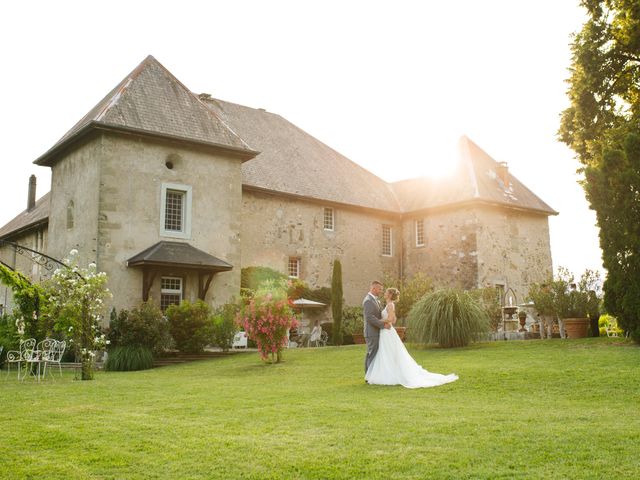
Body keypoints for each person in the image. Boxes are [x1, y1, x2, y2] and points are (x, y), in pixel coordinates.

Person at [365, 287, 459, 389]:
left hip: (387, 332)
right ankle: (388, 372)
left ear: (390, 295)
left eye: (386, 292)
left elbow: (391, 320)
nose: (384, 293)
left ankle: (392, 374)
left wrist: (379, 321)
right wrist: (383, 321)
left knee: (389, 353)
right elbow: (395, 319)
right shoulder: (389, 305)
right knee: (387, 353)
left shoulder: (390, 305)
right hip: (385, 332)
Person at [362, 280, 390, 375]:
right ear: (373, 288)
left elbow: (378, 316)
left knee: (372, 353)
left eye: (382, 289)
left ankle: (369, 375)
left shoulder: (376, 300)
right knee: (372, 354)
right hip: (371, 333)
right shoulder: (368, 301)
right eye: (380, 289)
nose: (381, 291)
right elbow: (370, 317)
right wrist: (383, 325)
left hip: (375, 332)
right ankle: (370, 376)